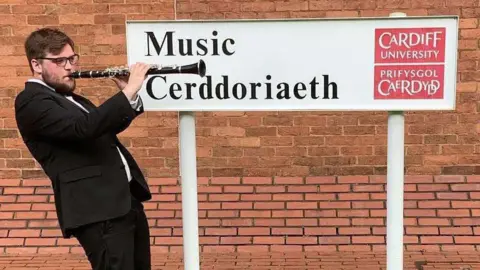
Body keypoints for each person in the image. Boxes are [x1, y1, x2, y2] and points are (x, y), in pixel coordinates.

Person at [15, 27, 153, 270]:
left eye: (72, 59)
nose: (69, 67)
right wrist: (130, 90)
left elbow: (102, 130)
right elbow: (84, 129)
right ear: (36, 65)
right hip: (97, 210)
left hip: (122, 201)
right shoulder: (31, 101)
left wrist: (127, 95)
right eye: (59, 61)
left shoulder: (71, 99)